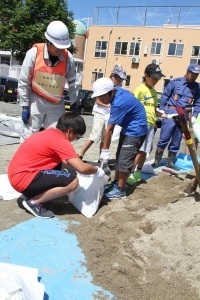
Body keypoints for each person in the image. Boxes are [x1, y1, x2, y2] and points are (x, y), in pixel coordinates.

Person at [8, 112, 106, 219]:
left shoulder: (49, 132)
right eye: (76, 136)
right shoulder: (60, 141)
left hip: (16, 175)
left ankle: (31, 193)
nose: (75, 139)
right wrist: (96, 170)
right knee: (73, 182)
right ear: (69, 131)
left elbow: (66, 162)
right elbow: (81, 168)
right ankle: (34, 202)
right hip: (23, 179)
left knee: (64, 167)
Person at [18, 20, 79, 143]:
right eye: (58, 47)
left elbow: (73, 82)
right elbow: (24, 80)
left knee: (56, 135)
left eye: (63, 47)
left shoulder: (68, 58)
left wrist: (74, 102)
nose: (61, 50)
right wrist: (25, 105)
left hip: (56, 102)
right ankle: (26, 161)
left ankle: (51, 161)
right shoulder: (34, 54)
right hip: (36, 98)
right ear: (48, 42)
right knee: (30, 134)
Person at [92, 77, 148, 200]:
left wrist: (105, 152)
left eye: (102, 97)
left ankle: (120, 190)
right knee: (119, 156)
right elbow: (131, 93)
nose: (101, 100)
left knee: (125, 159)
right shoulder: (115, 90)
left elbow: (109, 129)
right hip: (127, 127)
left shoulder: (119, 103)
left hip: (136, 130)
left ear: (110, 92)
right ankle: (116, 183)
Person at [127, 64, 170, 185]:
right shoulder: (140, 89)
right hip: (141, 124)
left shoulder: (154, 92)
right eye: (154, 78)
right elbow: (133, 106)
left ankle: (138, 172)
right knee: (139, 150)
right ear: (146, 76)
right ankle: (130, 173)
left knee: (146, 151)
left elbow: (155, 110)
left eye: (158, 78)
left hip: (152, 124)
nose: (156, 80)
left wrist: (166, 116)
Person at [152, 64, 200, 170]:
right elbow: (165, 95)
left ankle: (171, 162)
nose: (195, 77)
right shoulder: (175, 82)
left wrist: (194, 116)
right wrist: (162, 109)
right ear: (187, 72)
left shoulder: (196, 87)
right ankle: (156, 161)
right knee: (164, 138)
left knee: (177, 140)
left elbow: (198, 103)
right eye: (193, 74)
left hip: (184, 115)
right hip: (172, 112)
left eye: (197, 75)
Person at [79, 66, 127, 162]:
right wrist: (109, 105)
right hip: (100, 112)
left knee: (105, 138)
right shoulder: (105, 83)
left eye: (121, 79)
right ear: (112, 76)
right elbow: (97, 101)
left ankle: (102, 159)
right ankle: (80, 154)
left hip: (108, 115)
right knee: (95, 135)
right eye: (118, 79)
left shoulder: (118, 88)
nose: (120, 81)